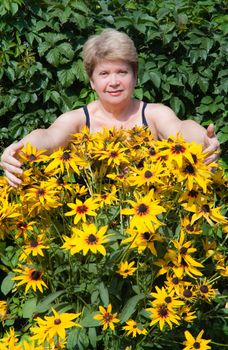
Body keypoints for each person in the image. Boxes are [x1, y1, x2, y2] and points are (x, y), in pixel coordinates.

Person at [0, 29, 220, 188]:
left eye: (122, 72)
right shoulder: (79, 120)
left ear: (135, 76)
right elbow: (48, 136)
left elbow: (181, 128)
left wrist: (203, 140)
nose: (113, 82)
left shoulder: (153, 115)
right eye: (104, 74)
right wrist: (20, 148)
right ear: (92, 81)